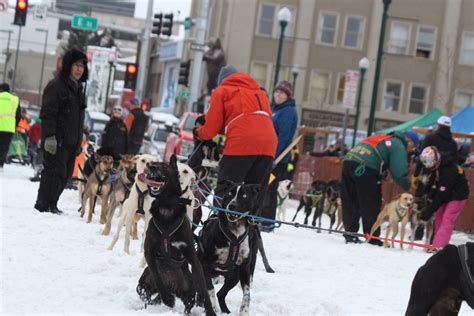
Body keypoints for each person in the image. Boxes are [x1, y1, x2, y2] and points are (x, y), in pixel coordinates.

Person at [194, 65, 277, 212]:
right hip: (268, 144)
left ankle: (218, 225)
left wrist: (199, 132)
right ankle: (250, 226)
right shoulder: (259, 93)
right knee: (254, 193)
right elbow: (247, 118)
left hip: (242, 143)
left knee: (226, 189)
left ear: (222, 81)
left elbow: (211, 128)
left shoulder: (222, 91)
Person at [34, 49, 88, 214]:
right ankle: (43, 205)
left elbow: (78, 119)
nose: (79, 69)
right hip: (56, 140)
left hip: (71, 142)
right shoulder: (56, 86)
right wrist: (49, 137)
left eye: (82, 66)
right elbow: (48, 114)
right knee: (53, 172)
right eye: (76, 65)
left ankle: (52, 203)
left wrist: (79, 141)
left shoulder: (78, 89)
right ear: (68, 66)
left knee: (64, 176)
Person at [340, 131, 419, 245]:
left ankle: (350, 234)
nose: (411, 151)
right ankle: (372, 237)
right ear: (409, 141)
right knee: (371, 202)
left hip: (348, 161)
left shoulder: (382, 137)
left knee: (350, 200)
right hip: (367, 167)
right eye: (413, 147)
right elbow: (399, 172)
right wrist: (409, 188)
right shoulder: (398, 144)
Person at [260, 80, 297, 230]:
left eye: (282, 92)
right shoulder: (277, 110)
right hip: (269, 155)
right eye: (276, 91)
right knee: (265, 188)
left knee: (269, 189)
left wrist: (273, 156)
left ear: (288, 96)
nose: (278, 94)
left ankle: (267, 222)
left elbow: (283, 137)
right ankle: (262, 218)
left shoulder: (288, 112)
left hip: (277, 159)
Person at [419, 146, 469, 249]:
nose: (428, 166)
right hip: (446, 193)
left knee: (447, 219)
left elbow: (442, 194)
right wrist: (427, 194)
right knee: (439, 219)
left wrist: (429, 210)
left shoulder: (448, 169)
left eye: (429, 163)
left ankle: (439, 246)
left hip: (457, 195)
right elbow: (434, 183)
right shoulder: (437, 166)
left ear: (435, 159)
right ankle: (438, 244)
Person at [412, 116, 458, 187]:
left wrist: (416, 174)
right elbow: (455, 161)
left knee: (422, 196)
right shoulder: (453, 143)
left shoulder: (430, 138)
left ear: (438, 125)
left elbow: (422, 157)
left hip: (428, 175)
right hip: (445, 178)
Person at [0, 83, 21, 172]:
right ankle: (0, 165)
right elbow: (18, 115)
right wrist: (15, 125)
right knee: (4, 147)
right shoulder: (15, 99)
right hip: (9, 128)